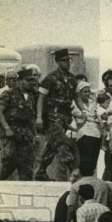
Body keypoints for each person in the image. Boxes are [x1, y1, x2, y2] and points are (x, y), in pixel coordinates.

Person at [34, 48, 78, 180]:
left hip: (65, 117)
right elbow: (41, 98)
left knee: (52, 145)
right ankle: (75, 171)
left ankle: (40, 172)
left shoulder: (71, 79)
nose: (67, 63)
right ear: (58, 62)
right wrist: (39, 117)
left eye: (68, 60)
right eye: (64, 61)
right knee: (62, 143)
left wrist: (83, 111)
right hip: (53, 116)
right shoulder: (50, 78)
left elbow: (76, 96)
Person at [0, 68, 38, 181]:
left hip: (25, 134)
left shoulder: (31, 96)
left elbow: (31, 118)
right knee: (7, 163)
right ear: (20, 80)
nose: (30, 83)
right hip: (11, 133)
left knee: (26, 166)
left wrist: (35, 134)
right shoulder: (9, 93)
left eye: (32, 80)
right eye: (27, 80)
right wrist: (6, 128)